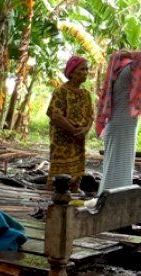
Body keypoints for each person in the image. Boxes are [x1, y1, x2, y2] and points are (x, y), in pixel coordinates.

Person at [95, 51, 141, 194]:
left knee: (114, 162)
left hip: (117, 121)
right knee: (123, 162)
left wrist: (123, 54)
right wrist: (129, 53)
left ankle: (108, 193)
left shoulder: (115, 74)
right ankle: (116, 194)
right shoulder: (128, 69)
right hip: (125, 120)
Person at [46, 55, 94, 192]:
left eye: (87, 69)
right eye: (82, 69)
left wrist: (85, 130)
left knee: (76, 173)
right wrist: (74, 130)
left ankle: (73, 191)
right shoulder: (61, 91)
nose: (85, 72)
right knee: (57, 174)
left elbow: (91, 116)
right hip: (62, 138)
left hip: (78, 139)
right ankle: (52, 195)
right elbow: (55, 115)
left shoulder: (86, 94)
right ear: (72, 72)